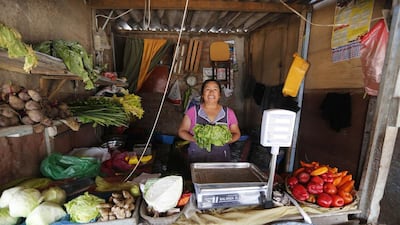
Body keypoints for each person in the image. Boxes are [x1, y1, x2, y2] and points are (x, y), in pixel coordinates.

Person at [178, 79, 241, 163]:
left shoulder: (229, 112)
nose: (211, 93)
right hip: (197, 156)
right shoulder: (193, 111)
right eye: (207, 89)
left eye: (215, 89)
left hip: (221, 156)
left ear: (219, 95)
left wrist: (224, 140)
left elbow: (236, 133)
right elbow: (182, 131)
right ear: (203, 94)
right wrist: (195, 139)